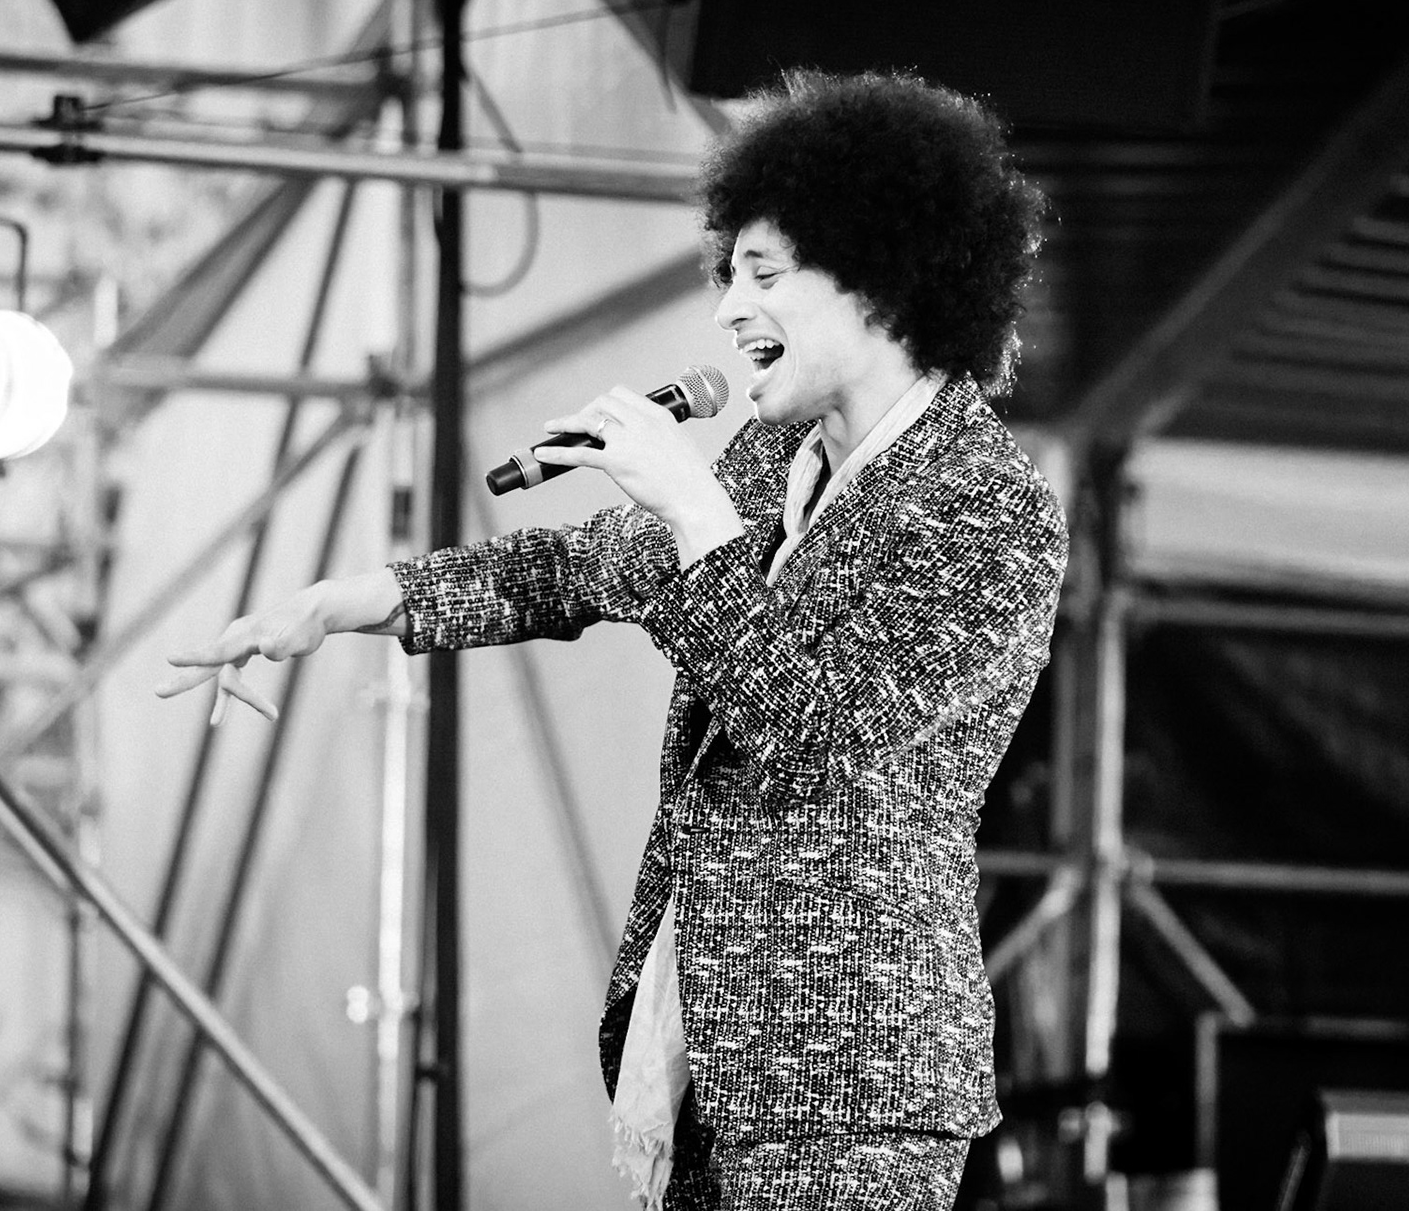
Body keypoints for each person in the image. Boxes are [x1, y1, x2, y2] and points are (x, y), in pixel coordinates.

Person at [158, 69, 1065, 1210]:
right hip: (695, 1036)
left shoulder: (987, 502)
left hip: (846, 1066)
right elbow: (566, 567)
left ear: (883, 271)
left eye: (764, 276)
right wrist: (348, 600)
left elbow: (823, 729)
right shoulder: (765, 468)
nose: (730, 313)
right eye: (726, 277)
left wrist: (695, 510)